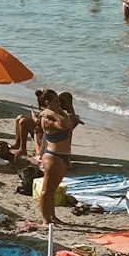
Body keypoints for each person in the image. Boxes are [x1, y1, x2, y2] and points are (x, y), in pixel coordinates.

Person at [37, 93, 73, 225]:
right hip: (53, 157)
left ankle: (52, 216)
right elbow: (63, 124)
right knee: (47, 191)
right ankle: (45, 219)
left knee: (53, 190)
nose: (59, 104)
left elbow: (69, 123)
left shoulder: (54, 115)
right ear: (47, 103)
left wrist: (57, 110)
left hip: (62, 155)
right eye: (56, 101)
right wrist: (51, 113)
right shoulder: (47, 120)